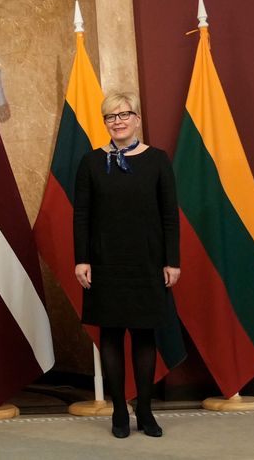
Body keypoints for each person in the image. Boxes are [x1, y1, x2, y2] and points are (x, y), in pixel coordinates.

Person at [73, 92, 180, 439]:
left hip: (148, 262)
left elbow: (169, 215)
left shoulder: (157, 160)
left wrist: (172, 261)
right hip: (105, 262)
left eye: (124, 115)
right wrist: (82, 259)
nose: (117, 121)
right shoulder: (90, 163)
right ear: (104, 123)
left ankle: (145, 410)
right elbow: (82, 216)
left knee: (145, 335)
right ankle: (119, 410)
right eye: (110, 117)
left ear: (136, 119)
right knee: (111, 335)